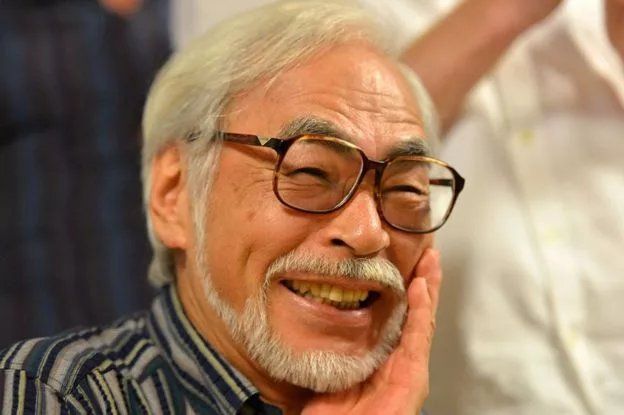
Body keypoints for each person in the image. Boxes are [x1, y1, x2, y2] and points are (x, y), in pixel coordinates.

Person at [0, 1, 465, 413]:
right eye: (310, 173)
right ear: (173, 194)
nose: (367, 233)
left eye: (406, 190)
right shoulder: (55, 393)